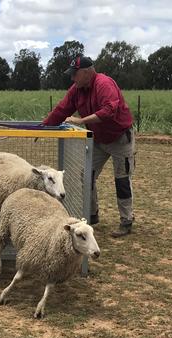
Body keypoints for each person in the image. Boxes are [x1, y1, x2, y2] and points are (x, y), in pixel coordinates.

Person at [42, 55, 135, 238]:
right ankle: (92, 214)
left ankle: (126, 221)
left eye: (74, 74)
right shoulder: (77, 89)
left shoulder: (104, 84)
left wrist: (81, 120)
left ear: (86, 72)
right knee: (87, 176)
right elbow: (62, 109)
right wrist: (44, 126)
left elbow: (109, 111)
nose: (72, 78)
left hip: (119, 139)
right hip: (99, 140)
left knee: (122, 180)